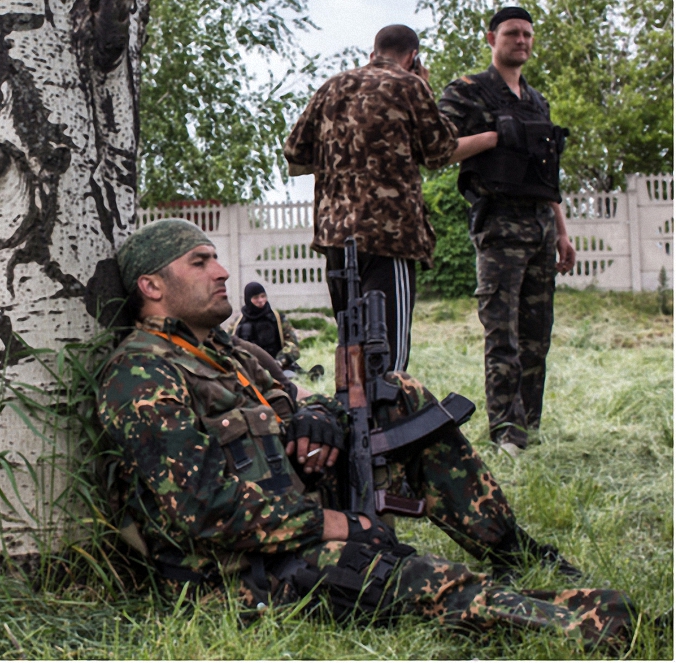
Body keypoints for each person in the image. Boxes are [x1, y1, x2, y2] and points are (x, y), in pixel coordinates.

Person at [96, 218, 634, 649]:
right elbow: (204, 509)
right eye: (201, 262)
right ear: (152, 286)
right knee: (416, 579)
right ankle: (597, 625)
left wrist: (321, 416)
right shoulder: (141, 373)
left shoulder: (229, 351)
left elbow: (290, 403)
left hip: (296, 505)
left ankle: (512, 550)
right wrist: (341, 524)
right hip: (241, 567)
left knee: (398, 395)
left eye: (215, 257)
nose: (222, 271)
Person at [284, 25, 491, 372]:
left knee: (352, 349)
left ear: (373, 53)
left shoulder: (332, 87)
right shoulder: (411, 86)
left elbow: (295, 152)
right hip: (389, 237)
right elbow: (440, 151)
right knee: (387, 357)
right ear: (413, 57)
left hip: (336, 237)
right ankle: (387, 422)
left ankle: (354, 422)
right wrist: (426, 91)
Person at [437, 7, 577, 457]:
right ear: (491, 38)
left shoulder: (537, 101)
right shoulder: (469, 91)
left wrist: (562, 232)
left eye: (528, 35)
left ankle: (529, 428)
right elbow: (437, 149)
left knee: (537, 335)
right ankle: (505, 433)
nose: (522, 41)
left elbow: (547, 172)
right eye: (513, 34)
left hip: (538, 224)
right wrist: (495, 136)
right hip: (499, 225)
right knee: (504, 335)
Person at [233, 282, 300, 373]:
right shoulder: (237, 323)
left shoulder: (278, 319)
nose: (260, 300)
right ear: (248, 300)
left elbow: (293, 346)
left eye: (263, 296)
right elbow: (228, 346)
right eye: (256, 298)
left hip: (279, 367)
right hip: (249, 370)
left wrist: (280, 361)